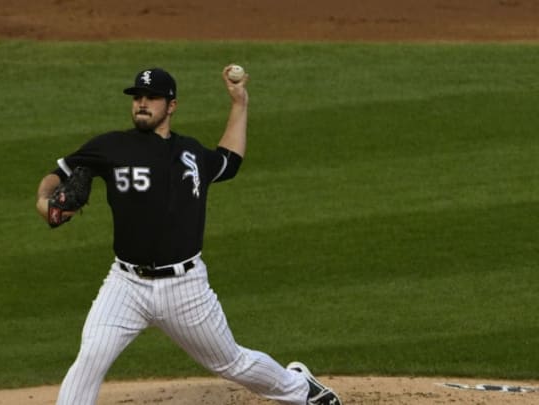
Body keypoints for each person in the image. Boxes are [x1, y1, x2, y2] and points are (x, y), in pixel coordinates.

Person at [35, 66, 342, 405]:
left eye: (152, 97)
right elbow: (56, 175)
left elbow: (229, 161)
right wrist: (45, 202)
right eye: (137, 97)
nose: (142, 103)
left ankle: (303, 390)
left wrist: (239, 103)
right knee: (90, 359)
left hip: (185, 288)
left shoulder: (191, 153)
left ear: (172, 105)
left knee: (231, 362)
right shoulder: (110, 147)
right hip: (125, 285)